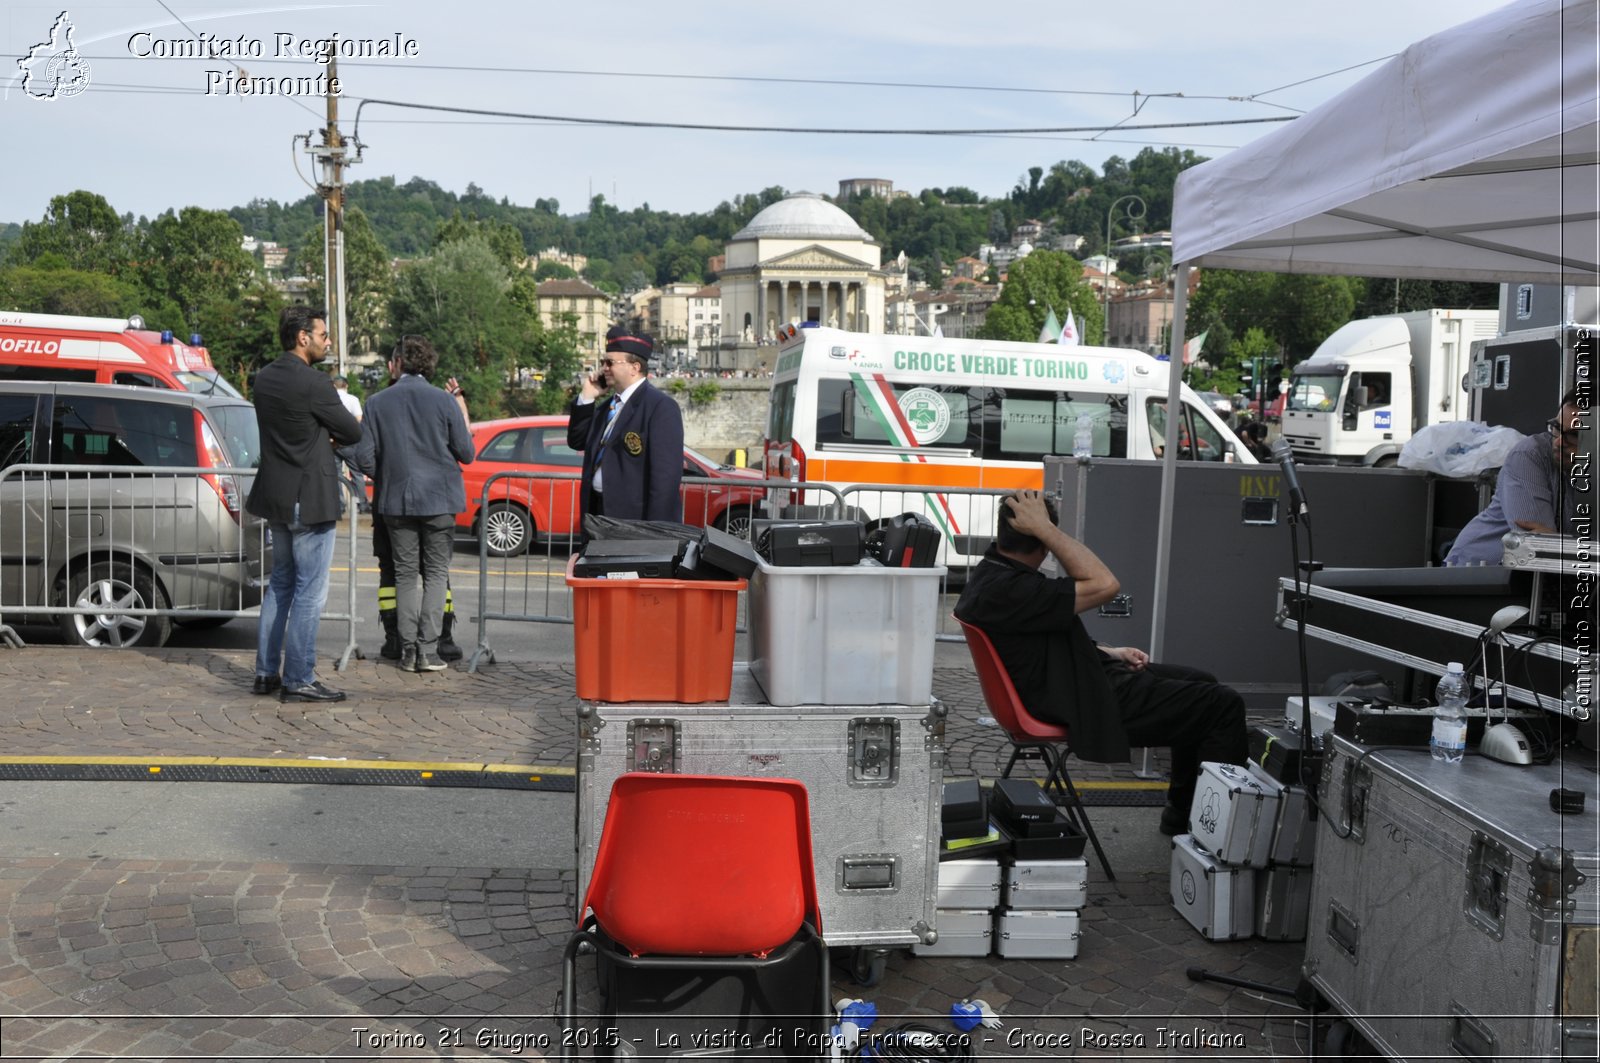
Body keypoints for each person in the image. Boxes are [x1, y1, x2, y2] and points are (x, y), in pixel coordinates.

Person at [954, 490, 1248, 835]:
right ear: (1043, 543)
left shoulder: (993, 574)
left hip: (1068, 681)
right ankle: (1212, 836)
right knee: (1223, 705)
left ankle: (1180, 814)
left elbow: (1035, 638)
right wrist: (1047, 529)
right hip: (1086, 699)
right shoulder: (1011, 588)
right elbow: (1106, 585)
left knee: (1202, 680)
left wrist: (1111, 652)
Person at [248, 306, 364, 703]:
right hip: (310, 499)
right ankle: (298, 677)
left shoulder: (263, 378)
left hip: (276, 497)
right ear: (303, 337)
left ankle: (266, 673)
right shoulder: (315, 383)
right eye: (323, 334)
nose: (327, 341)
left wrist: (320, 432)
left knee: (279, 584)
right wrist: (326, 435)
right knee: (310, 592)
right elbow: (352, 430)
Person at [346, 336, 474, 672]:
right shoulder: (444, 402)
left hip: (396, 501)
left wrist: (387, 476)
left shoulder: (377, 402)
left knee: (403, 576)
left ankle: (405, 650)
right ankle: (428, 651)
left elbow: (362, 457)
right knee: (435, 575)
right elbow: (467, 453)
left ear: (398, 363)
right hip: (439, 501)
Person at [1445, 389, 1584, 565]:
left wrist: (1561, 545)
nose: (1559, 442)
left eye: (1574, 435)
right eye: (1557, 428)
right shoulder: (1529, 455)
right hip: (1475, 573)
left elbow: (1554, 549)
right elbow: (1534, 550)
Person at [568, 326, 684, 525]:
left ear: (634, 367)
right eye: (603, 362)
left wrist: (655, 535)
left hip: (632, 520)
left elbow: (664, 481)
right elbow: (577, 441)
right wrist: (587, 397)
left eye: (609, 362)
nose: (604, 368)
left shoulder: (660, 407)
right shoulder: (607, 407)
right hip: (597, 513)